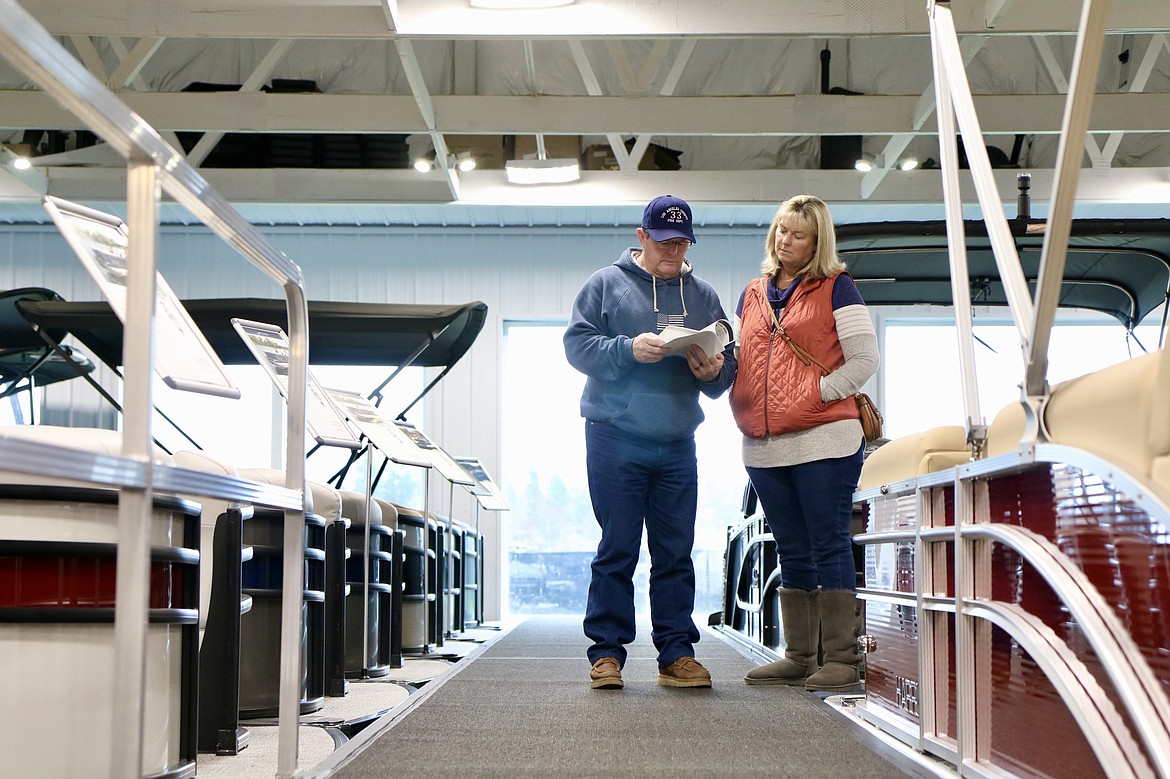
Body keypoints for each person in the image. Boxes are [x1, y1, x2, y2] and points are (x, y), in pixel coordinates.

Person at [564, 194, 737, 690]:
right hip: (614, 437)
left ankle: (677, 654)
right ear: (642, 237)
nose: (672, 252)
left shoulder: (702, 295)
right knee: (618, 548)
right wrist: (627, 348)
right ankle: (607, 655)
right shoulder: (605, 285)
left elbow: (726, 368)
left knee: (675, 552)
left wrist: (713, 372)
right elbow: (577, 345)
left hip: (677, 441)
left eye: (682, 243)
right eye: (663, 242)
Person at [729, 194, 878, 692]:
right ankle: (798, 655)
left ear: (818, 242)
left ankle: (840, 657)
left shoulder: (838, 287)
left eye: (797, 234)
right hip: (764, 443)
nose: (784, 240)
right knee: (790, 547)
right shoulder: (751, 293)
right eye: (779, 230)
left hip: (825, 438)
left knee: (828, 540)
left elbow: (863, 360)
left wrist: (817, 394)